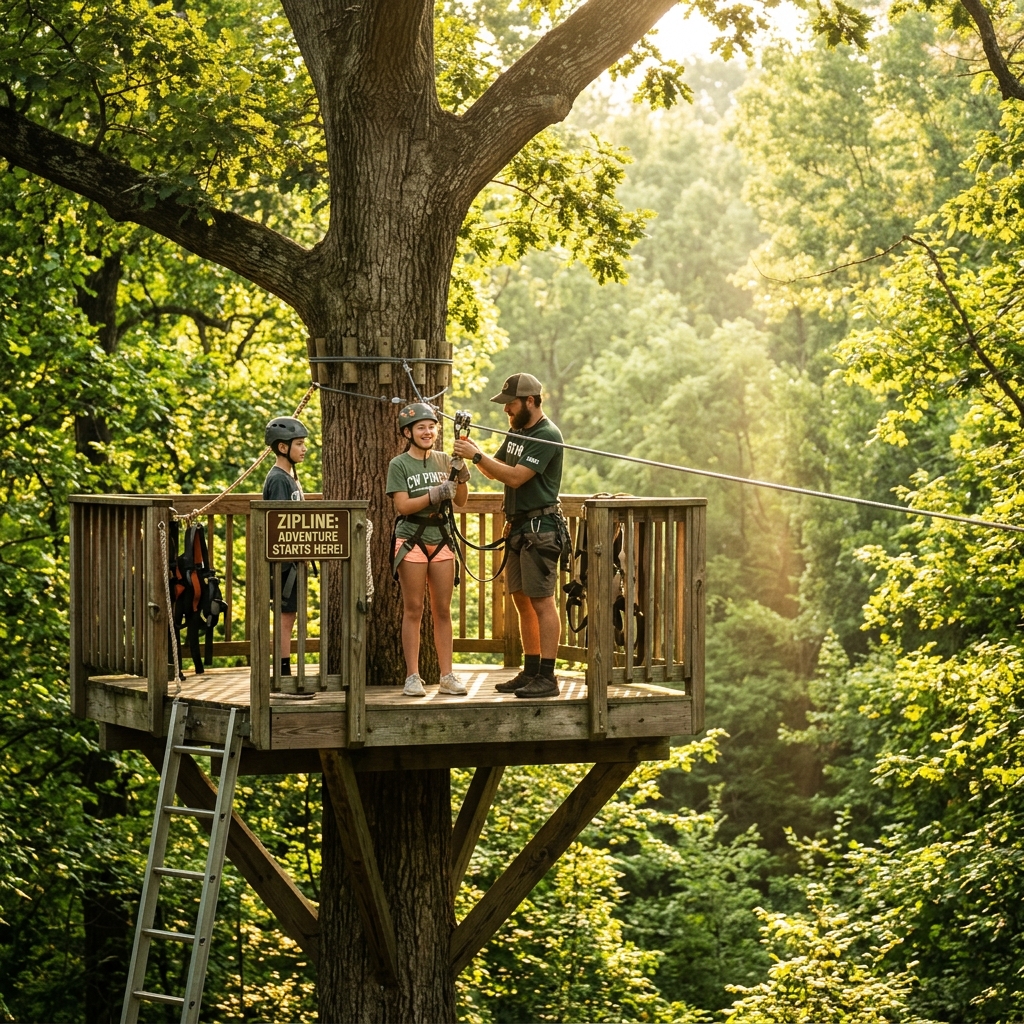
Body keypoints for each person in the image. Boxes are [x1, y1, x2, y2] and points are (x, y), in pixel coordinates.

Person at [453, 373, 564, 698]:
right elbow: (496, 467)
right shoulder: (516, 432)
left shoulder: (547, 435)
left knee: (543, 601)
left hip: (540, 531)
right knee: (521, 599)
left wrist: (476, 455)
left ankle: (548, 676)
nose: (507, 411)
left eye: (511, 404)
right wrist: (474, 454)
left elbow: (516, 478)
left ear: (530, 401)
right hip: (518, 527)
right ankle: (530, 671)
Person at [387, 402, 471, 697]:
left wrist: (460, 473)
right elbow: (402, 505)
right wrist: (434, 493)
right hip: (412, 536)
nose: (427, 431)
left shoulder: (444, 459)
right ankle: (413, 676)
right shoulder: (399, 465)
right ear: (408, 432)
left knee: (442, 611)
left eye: (431, 426)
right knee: (413, 609)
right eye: (421, 427)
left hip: (442, 536)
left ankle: (446, 675)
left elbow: (460, 501)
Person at [263, 416, 308, 677]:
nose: (304, 449)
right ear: (283, 447)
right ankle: (283, 672)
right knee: (285, 615)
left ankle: (284, 669)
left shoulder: (290, 477)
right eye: (299, 444)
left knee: (289, 615)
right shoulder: (279, 479)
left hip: (292, 560)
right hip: (284, 563)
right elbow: (281, 523)